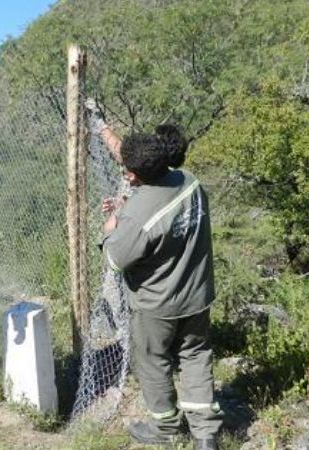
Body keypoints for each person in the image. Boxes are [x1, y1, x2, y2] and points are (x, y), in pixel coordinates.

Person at [89, 101, 222, 450]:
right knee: (196, 356)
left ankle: (165, 428)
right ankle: (205, 434)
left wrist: (112, 225)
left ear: (133, 176)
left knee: (153, 362)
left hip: (157, 305)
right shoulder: (190, 182)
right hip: (197, 294)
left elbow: (116, 259)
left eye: (126, 170)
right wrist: (127, 212)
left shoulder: (139, 211)